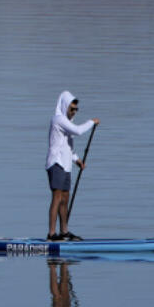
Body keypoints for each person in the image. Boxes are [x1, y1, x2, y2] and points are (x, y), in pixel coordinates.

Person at [46, 91, 99, 240]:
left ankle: (64, 232)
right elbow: (78, 131)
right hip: (56, 163)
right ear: (64, 106)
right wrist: (91, 122)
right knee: (57, 197)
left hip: (66, 165)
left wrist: (77, 160)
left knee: (65, 198)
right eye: (72, 108)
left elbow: (68, 147)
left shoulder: (67, 124)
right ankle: (51, 234)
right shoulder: (58, 120)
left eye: (76, 109)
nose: (74, 112)